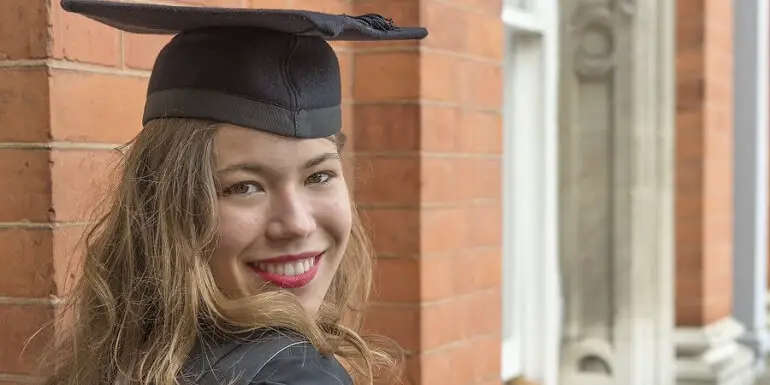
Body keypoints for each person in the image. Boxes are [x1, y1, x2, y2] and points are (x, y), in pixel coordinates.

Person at [40, 1, 428, 384]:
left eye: (318, 176)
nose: (296, 223)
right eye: (244, 187)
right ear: (167, 204)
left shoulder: (128, 356)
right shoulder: (295, 375)